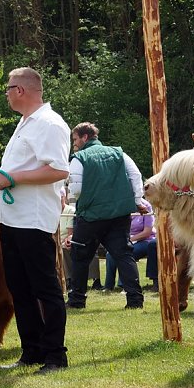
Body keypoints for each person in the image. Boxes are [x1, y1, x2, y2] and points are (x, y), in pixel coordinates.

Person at [0, 67, 70, 374]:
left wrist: (12, 178)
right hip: (12, 218)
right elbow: (21, 169)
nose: (6, 94)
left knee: (44, 289)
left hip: (33, 221)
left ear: (20, 90)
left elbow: (58, 171)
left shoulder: (49, 123)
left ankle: (56, 356)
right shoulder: (26, 123)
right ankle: (31, 350)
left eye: (8, 88)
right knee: (19, 288)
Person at [65, 122, 146, 310]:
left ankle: (77, 300)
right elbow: (135, 175)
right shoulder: (119, 153)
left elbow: (75, 189)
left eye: (75, 139)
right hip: (119, 215)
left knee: (79, 256)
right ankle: (135, 300)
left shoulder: (79, 158)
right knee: (124, 255)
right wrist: (138, 200)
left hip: (91, 216)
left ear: (85, 137)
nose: (74, 144)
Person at [104, 199, 158, 292]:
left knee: (126, 253)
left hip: (145, 240)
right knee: (110, 254)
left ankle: (125, 285)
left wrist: (130, 239)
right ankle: (108, 286)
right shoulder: (122, 204)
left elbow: (147, 232)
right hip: (126, 238)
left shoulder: (146, 206)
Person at [59, 189, 101, 290]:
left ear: (64, 198)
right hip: (59, 240)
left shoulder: (70, 211)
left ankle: (96, 280)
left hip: (75, 239)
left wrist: (68, 239)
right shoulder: (52, 211)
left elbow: (71, 231)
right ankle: (69, 280)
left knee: (89, 247)